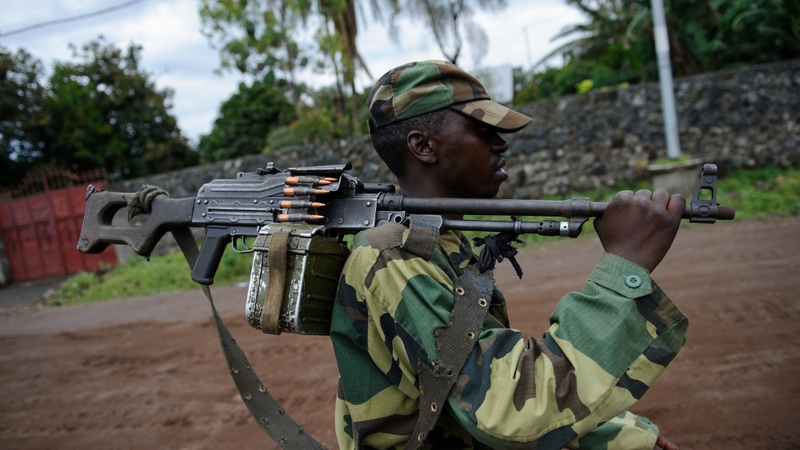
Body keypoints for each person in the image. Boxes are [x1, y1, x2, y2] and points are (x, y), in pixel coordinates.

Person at [329, 60, 686, 450]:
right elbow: (510, 411)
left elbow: (469, 391)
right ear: (423, 146)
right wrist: (626, 265)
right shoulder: (393, 257)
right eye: (484, 131)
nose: (501, 144)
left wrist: (623, 436)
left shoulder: (437, 244)